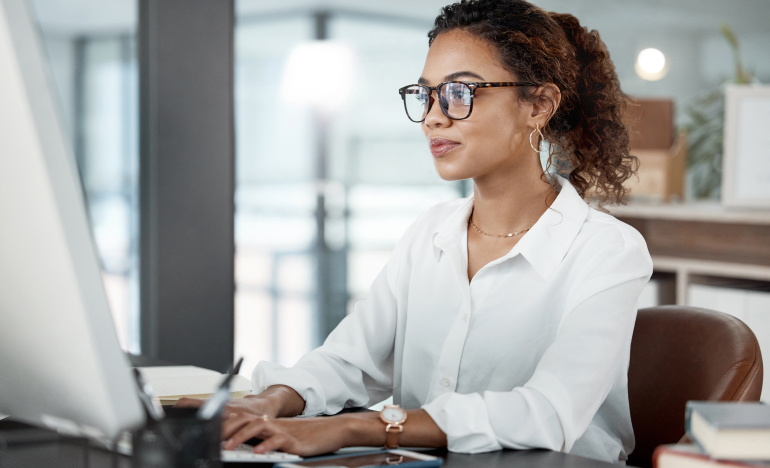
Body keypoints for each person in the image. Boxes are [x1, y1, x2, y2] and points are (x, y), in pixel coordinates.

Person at [178, 0, 652, 463]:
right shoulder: (430, 233)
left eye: (460, 94)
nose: (432, 117)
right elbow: (349, 360)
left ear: (540, 105)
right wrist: (269, 402)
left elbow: (548, 411)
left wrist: (355, 426)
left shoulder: (607, 250)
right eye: (425, 93)